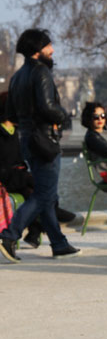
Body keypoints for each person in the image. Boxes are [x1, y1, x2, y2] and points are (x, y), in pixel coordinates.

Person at [0, 28, 80, 262]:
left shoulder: (16, 77)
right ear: (37, 50)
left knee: (46, 194)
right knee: (44, 194)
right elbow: (47, 107)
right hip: (44, 140)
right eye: (48, 46)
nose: (52, 50)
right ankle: (10, 234)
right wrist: (63, 116)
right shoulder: (41, 72)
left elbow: (12, 112)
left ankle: (58, 243)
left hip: (26, 140)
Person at [0, 92, 75, 248]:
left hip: (19, 175)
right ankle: (53, 213)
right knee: (44, 186)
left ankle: (34, 232)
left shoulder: (17, 131)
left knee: (35, 192)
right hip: (6, 176)